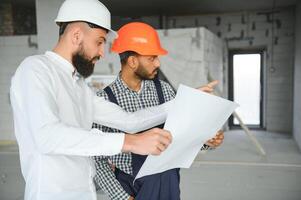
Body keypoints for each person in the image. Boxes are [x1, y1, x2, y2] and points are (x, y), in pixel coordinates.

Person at [9, 1, 183, 200]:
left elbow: (129, 121)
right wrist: (130, 142)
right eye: (99, 42)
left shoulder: (79, 86)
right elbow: (47, 136)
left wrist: (185, 102)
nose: (102, 52)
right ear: (76, 35)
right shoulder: (35, 69)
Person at [93, 22, 224, 200]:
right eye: (152, 58)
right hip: (131, 187)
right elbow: (98, 160)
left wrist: (207, 140)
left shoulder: (164, 90)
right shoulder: (104, 101)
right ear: (132, 61)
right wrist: (122, 197)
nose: (158, 63)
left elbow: (181, 136)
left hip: (168, 179)